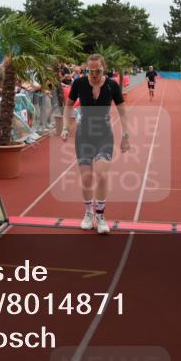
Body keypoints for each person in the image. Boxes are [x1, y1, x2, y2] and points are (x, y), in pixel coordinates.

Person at [61, 54, 130, 234]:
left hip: (104, 135)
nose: (94, 74)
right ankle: (88, 213)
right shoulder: (79, 83)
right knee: (86, 178)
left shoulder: (112, 85)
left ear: (103, 68)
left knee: (101, 175)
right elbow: (68, 106)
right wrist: (66, 127)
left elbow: (123, 112)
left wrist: (126, 136)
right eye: (90, 71)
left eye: (97, 70)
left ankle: (100, 216)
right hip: (83, 135)